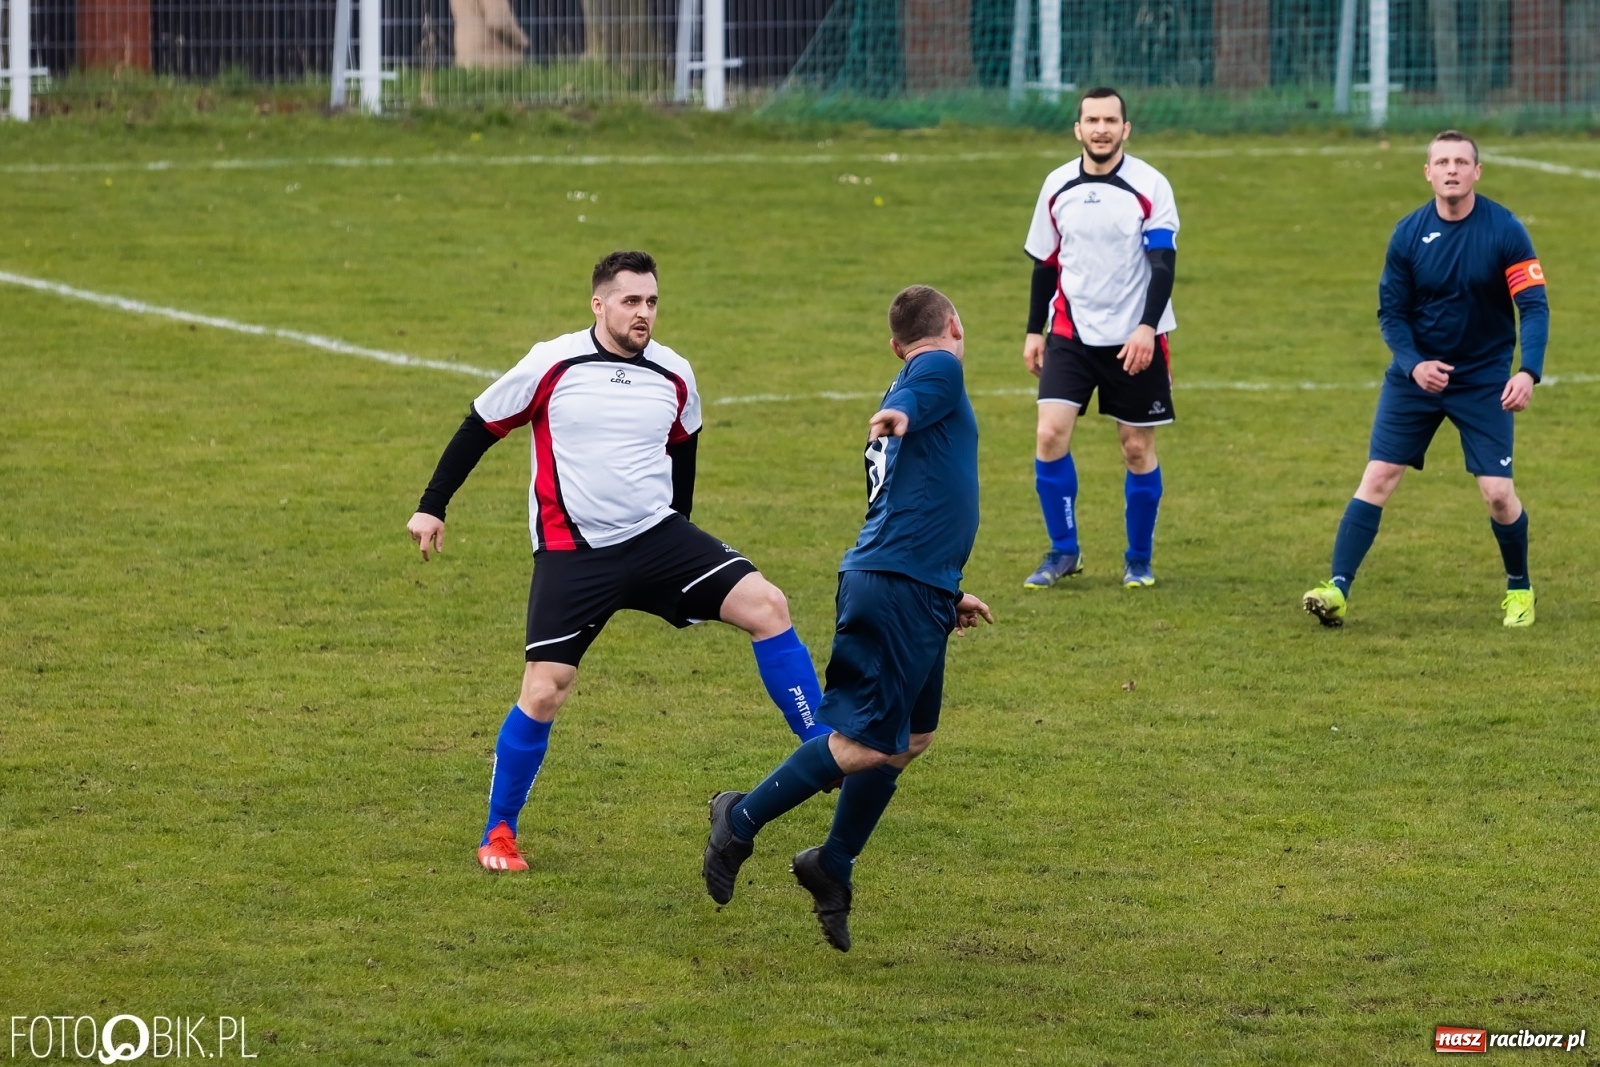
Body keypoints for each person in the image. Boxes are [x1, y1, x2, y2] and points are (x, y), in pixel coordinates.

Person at [406, 250, 831, 873]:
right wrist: (432, 506)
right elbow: (480, 425)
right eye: (631, 301)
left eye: (652, 302)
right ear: (599, 304)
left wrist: (683, 548)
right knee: (546, 689)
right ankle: (499, 829)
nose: (644, 314)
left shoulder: (675, 373)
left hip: (657, 538)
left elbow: (683, 456)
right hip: (573, 552)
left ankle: (822, 748)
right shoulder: (553, 361)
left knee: (768, 604)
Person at [701, 285, 992, 952]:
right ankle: (737, 818)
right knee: (865, 743)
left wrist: (948, 592)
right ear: (953, 324)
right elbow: (925, 383)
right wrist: (899, 409)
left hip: (916, 584)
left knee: (912, 737)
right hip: (896, 586)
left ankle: (831, 864)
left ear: (892, 343)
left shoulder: (912, 392)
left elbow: (910, 504)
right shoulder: (937, 369)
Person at [1302, 131, 1549, 629]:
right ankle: (1337, 589)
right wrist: (1414, 364)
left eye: (1461, 161)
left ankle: (1520, 589)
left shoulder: (1506, 230)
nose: (1452, 169)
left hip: (1483, 381)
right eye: (1442, 162)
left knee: (1498, 494)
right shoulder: (1408, 234)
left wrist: (1527, 372)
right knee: (1378, 477)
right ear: (1428, 172)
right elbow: (1391, 314)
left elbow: (1533, 306)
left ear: (1477, 172)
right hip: (1415, 378)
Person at [1020, 86, 1180, 591]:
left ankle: (1138, 559)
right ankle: (1063, 552)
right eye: (1092, 120)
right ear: (1078, 128)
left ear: (1125, 129)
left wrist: (1147, 327)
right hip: (1069, 330)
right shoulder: (1057, 185)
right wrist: (1033, 331)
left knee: (1135, 447)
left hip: (1136, 336)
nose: (1101, 129)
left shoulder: (1150, 184)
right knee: (1049, 436)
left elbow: (1163, 263)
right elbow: (1047, 263)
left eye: (1111, 120)